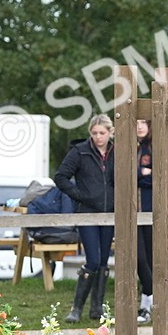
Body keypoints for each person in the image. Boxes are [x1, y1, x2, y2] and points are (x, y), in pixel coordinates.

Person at [55, 114, 115, 323]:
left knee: (104, 261)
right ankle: (77, 308)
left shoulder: (117, 152)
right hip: (87, 211)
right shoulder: (80, 151)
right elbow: (61, 177)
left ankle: (97, 308)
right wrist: (79, 195)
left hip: (109, 213)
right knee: (93, 260)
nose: (98, 137)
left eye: (102, 133)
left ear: (110, 132)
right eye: (95, 133)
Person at [136, 119, 153, 324]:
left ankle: (145, 307)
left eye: (143, 122)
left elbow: (157, 176)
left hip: (151, 210)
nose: (139, 126)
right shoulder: (126, 146)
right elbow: (119, 175)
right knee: (138, 259)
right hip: (130, 211)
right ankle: (152, 297)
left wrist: (143, 176)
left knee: (151, 258)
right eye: (136, 122)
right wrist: (141, 172)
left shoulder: (154, 146)